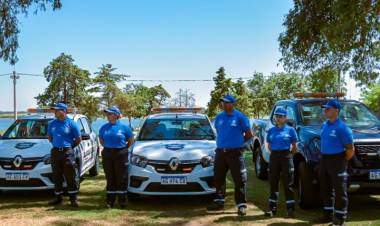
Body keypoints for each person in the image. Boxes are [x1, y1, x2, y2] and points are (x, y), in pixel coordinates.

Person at [207, 94, 252, 216]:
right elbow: (219, 132)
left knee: (239, 180)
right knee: (218, 177)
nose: (225, 104)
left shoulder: (240, 117)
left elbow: (248, 134)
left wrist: (241, 145)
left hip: (235, 153)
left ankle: (241, 205)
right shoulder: (219, 117)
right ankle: (219, 201)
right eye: (223, 102)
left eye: (227, 102)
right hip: (221, 152)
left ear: (233, 103)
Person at [316, 100, 354, 226]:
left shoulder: (343, 128)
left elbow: (350, 149)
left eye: (328, 109)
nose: (325, 111)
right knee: (325, 188)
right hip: (324, 159)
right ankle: (327, 214)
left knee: (339, 189)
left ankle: (340, 217)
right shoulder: (324, 125)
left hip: (337, 160)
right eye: (325, 109)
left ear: (336, 110)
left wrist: (342, 162)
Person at [264, 107, 298, 218]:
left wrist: (288, 156)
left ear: (285, 118)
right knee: (273, 182)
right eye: (277, 116)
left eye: (281, 116)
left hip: (286, 156)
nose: (278, 118)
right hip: (274, 157)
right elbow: (269, 146)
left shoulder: (290, 130)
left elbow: (294, 147)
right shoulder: (271, 130)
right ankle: (272, 208)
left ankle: (290, 209)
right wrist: (275, 154)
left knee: (288, 183)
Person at [99, 106, 134, 208]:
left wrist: (122, 149)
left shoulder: (125, 127)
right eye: (107, 114)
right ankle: (110, 201)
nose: (108, 116)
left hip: (121, 153)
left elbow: (131, 141)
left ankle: (122, 200)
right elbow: (101, 140)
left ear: (117, 115)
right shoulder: (104, 127)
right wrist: (109, 148)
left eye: (110, 114)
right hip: (108, 153)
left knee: (121, 177)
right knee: (110, 177)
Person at [47, 103, 81, 207]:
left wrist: (69, 147)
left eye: (57, 110)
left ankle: (73, 199)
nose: (55, 112)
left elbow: (78, 139)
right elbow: (50, 138)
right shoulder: (52, 124)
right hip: (55, 152)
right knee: (56, 176)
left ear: (64, 111)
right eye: (55, 110)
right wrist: (57, 146)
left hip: (67, 152)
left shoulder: (72, 123)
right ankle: (58, 198)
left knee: (70, 175)